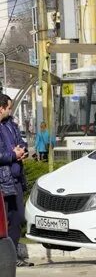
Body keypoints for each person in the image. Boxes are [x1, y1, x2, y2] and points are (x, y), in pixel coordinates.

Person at [0, 94, 32, 267]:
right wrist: (13, 154)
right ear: (1, 108)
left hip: (15, 179)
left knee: (18, 217)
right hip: (3, 180)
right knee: (3, 221)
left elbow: (21, 142)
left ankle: (12, 257)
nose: (11, 111)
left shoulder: (11, 124)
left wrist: (22, 150)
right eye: (9, 107)